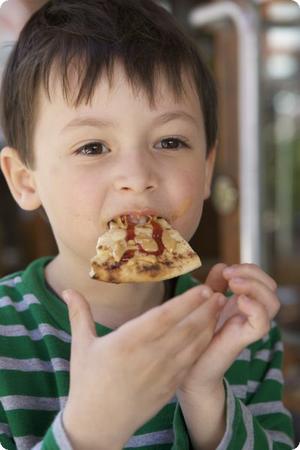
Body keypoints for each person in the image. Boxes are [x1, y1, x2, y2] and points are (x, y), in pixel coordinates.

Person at [0, 0, 295, 449]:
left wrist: (206, 399)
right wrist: (90, 430)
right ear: (25, 180)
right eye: (93, 147)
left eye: (170, 141)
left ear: (208, 167)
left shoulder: (243, 333)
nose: (138, 178)